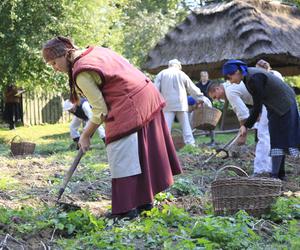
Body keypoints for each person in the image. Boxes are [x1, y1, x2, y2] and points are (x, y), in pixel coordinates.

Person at [42, 36, 182, 219]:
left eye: (54, 62)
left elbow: (100, 110)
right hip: (146, 95)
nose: (54, 68)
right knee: (138, 153)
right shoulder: (94, 51)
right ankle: (144, 202)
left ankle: (126, 210)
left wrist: (85, 134)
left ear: (65, 54)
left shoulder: (81, 71)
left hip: (131, 102)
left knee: (120, 152)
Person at [222, 59, 300, 180]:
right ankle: (280, 174)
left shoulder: (253, 78)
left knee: (278, 140)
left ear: (237, 72)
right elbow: (258, 105)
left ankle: (275, 177)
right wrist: (247, 124)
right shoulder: (248, 78)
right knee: (278, 139)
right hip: (275, 106)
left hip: (284, 105)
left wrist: (246, 125)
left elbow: (257, 107)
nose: (230, 81)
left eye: (230, 77)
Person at [207, 82, 272, 176]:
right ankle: (270, 168)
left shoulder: (229, 91)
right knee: (267, 134)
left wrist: (243, 135)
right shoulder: (232, 86)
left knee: (263, 135)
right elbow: (251, 103)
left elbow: (242, 114)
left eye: (215, 96)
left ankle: (261, 170)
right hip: (265, 101)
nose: (216, 99)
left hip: (268, 100)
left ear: (217, 89)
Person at [154, 59, 211, 146]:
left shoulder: (162, 74)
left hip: (168, 105)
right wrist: (201, 97)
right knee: (186, 126)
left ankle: (163, 146)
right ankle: (190, 144)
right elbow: (192, 88)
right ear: (178, 66)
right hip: (181, 104)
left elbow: (155, 90)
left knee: (165, 128)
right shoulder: (181, 74)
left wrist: (155, 104)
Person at [195, 71, 215, 145]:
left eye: (206, 76)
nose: (204, 77)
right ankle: (195, 138)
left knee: (210, 122)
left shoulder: (211, 84)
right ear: (201, 77)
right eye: (203, 76)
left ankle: (212, 140)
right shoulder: (197, 85)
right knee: (198, 121)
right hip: (200, 105)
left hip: (209, 104)